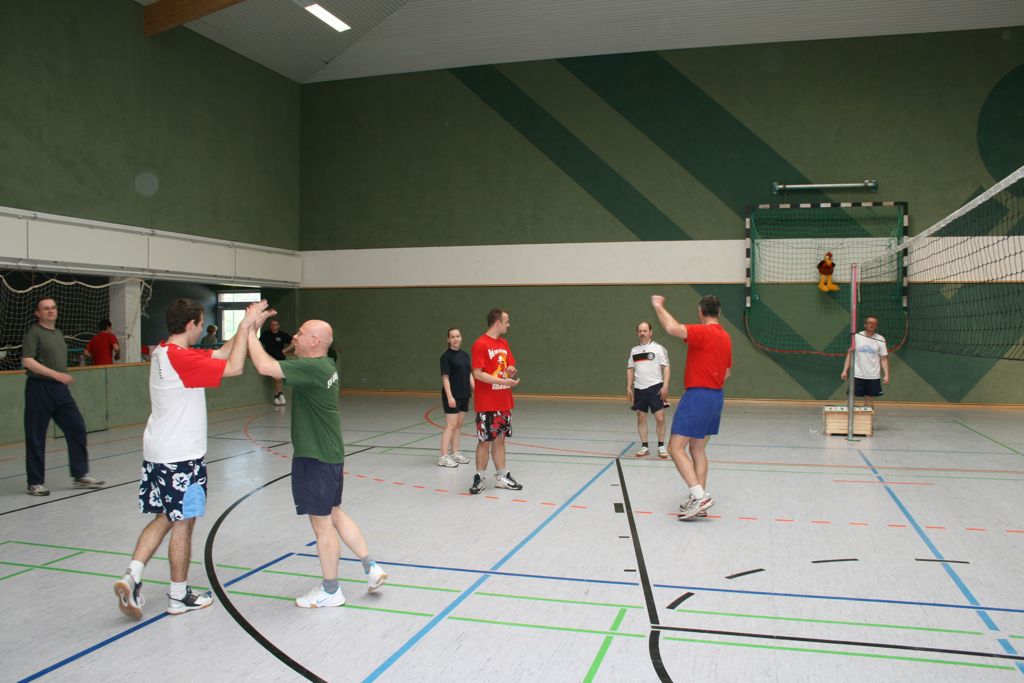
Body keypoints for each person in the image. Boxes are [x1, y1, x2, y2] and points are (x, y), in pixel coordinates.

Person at [113, 298, 268, 620]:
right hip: (181, 456)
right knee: (184, 522)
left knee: (165, 517)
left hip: (158, 452)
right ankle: (178, 596)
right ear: (191, 324)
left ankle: (132, 576)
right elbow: (235, 367)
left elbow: (222, 353)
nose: (202, 328)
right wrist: (244, 325)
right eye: (200, 323)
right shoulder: (181, 359)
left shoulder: (164, 351)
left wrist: (248, 329)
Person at [247, 317, 387, 608]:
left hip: (315, 456)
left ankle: (331, 590)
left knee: (322, 523)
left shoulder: (312, 368)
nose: (294, 337)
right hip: (332, 454)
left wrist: (249, 329)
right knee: (335, 512)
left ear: (314, 341)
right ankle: (371, 567)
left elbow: (264, 366)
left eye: (300, 333)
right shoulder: (327, 365)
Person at [651, 294, 732, 521]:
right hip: (716, 397)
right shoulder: (726, 337)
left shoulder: (704, 332)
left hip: (698, 396)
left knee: (675, 448)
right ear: (719, 312)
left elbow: (671, 328)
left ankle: (699, 497)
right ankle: (699, 500)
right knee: (697, 449)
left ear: (700, 311)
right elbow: (727, 372)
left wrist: (658, 306)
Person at [22, 298, 105, 496]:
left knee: (77, 428)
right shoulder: (34, 333)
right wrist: (56, 374)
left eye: (53, 308)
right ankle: (35, 482)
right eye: (45, 309)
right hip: (39, 389)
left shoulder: (58, 333)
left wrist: (59, 378)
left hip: (60, 391)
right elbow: (28, 361)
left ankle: (80, 475)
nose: (50, 311)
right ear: (38, 313)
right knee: (36, 436)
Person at [469, 309, 523, 495]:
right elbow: (478, 374)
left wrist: (510, 372)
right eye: (506, 321)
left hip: (503, 401)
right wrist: (503, 381)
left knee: (500, 440)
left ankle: (501, 477)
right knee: (485, 441)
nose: (508, 325)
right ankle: (479, 477)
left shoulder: (504, 343)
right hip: (487, 402)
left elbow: (507, 369)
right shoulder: (480, 344)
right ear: (497, 322)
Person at [627, 321, 671, 458]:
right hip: (639, 388)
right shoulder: (634, 351)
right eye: (640, 331)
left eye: (645, 330)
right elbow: (630, 369)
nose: (642, 333)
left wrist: (665, 386)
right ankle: (644, 446)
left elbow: (666, 367)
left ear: (650, 332)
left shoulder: (659, 348)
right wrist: (629, 386)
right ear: (637, 333)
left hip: (655, 387)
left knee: (660, 417)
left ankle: (661, 446)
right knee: (641, 417)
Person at [439, 327, 474, 467]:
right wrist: (450, 397)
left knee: (458, 426)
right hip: (452, 396)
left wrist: (476, 389)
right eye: (452, 337)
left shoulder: (465, 355)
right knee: (451, 425)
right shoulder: (446, 357)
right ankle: (443, 456)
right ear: (448, 339)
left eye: (457, 336)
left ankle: (455, 452)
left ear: (461, 338)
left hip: (464, 394)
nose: (455, 339)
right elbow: (445, 378)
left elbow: (469, 374)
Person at [840, 315, 889, 408]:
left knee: (869, 403)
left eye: (874, 323)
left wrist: (886, 374)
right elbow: (850, 355)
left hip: (873, 375)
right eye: (870, 323)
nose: (872, 325)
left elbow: (884, 358)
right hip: (857, 374)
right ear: (865, 325)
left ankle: (867, 416)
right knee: (850, 399)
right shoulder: (857, 337)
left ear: (876, 326)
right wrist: (844, 370)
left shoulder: (881, 339)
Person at [260, 319, 294, 405]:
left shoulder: (282, 335)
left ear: (278, 326)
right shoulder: (265, 334)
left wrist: (285, 350)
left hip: (280, 359)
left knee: (278, 377)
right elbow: (259, 343)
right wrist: (262, 353)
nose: (273, 326)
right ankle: (280, 394)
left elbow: (294, 342)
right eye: (272, 325)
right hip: (270, 359)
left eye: (275, 325)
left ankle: (277, 396)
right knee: (277, 377)